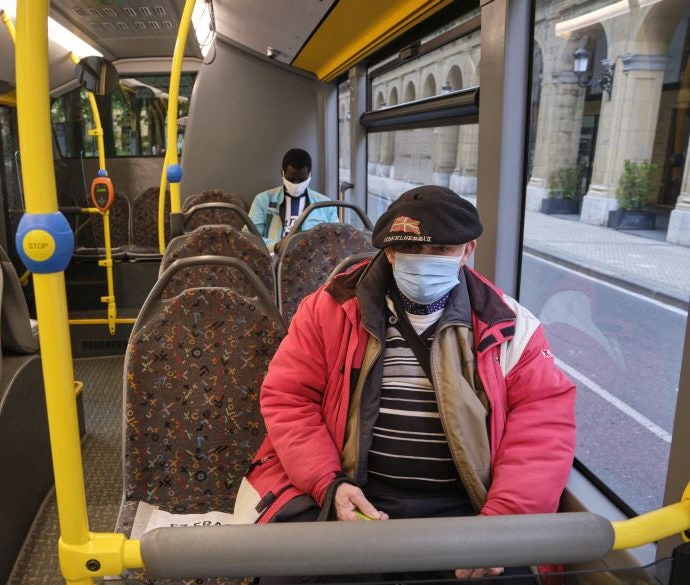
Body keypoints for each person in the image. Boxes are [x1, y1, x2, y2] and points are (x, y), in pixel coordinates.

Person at [234, 185, 576, 581]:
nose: (424, 262)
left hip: (467, 507)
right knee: (293, 571)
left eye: (441, 251)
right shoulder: (328, 310)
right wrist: (329, 483)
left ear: (468, 250)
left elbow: (543, 426)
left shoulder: (510, 327)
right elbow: (289, 397)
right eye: (412, 251)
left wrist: (498, 526)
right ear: (391, 253)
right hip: (354, 491)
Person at [248, 148, 339, 252]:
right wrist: (275, 246)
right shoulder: (263, 200)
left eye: (301, 180)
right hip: (274, 259)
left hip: (312, 261)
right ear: (282, 174)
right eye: (291, 179)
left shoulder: (325, 204)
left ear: (310, 175)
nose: (296, 184)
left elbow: (335, 240)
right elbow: (250, 238)